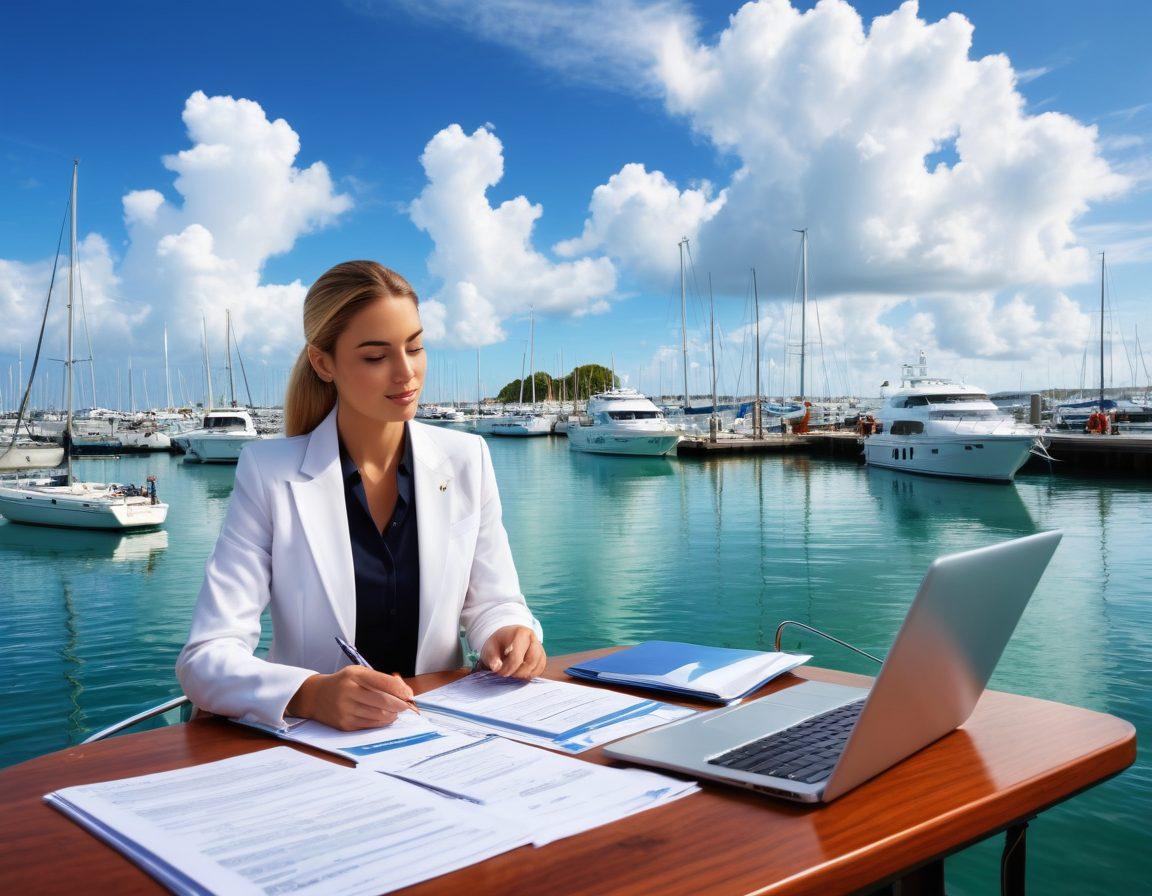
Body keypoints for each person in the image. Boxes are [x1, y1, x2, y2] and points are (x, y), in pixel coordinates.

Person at [177, 261, 546, 732]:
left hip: (444, 734)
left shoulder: (467, 457)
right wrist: (310, 694)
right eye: (376, 357)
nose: (406, 372)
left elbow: (496, 601)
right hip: (314, 751)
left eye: (415, 346)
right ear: (323, 362)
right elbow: (206, 656)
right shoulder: (268, 473)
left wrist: (510, 632)